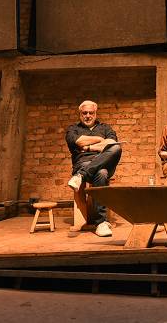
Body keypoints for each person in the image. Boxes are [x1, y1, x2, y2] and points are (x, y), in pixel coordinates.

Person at [65, 100, 122, 237]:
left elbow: (112, 143)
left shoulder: (105, 128)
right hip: (82, 163)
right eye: (85, 113)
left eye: (91, 113)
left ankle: (80, 176)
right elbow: (78, 141)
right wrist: (99, 140)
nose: (88, 116)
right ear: (80, 114)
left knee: (116, 148)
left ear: (95, 114)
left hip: (98, 163)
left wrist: (88, 147)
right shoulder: (73, 129)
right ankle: (101, 223)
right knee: (101, 173)